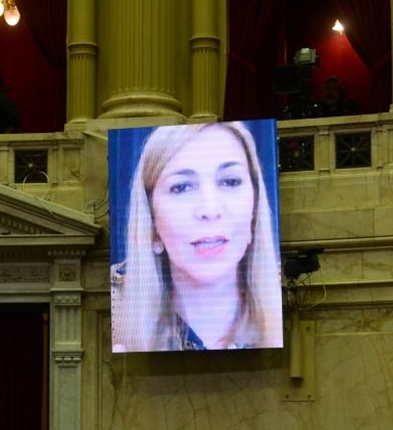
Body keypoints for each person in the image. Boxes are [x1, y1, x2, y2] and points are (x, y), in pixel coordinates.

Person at [112, 122, 282, 351]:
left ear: (254, 210)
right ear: (151, 224)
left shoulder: (282, 309)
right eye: (182, 187)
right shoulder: (116, 320)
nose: (209, 210)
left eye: (230, 181)